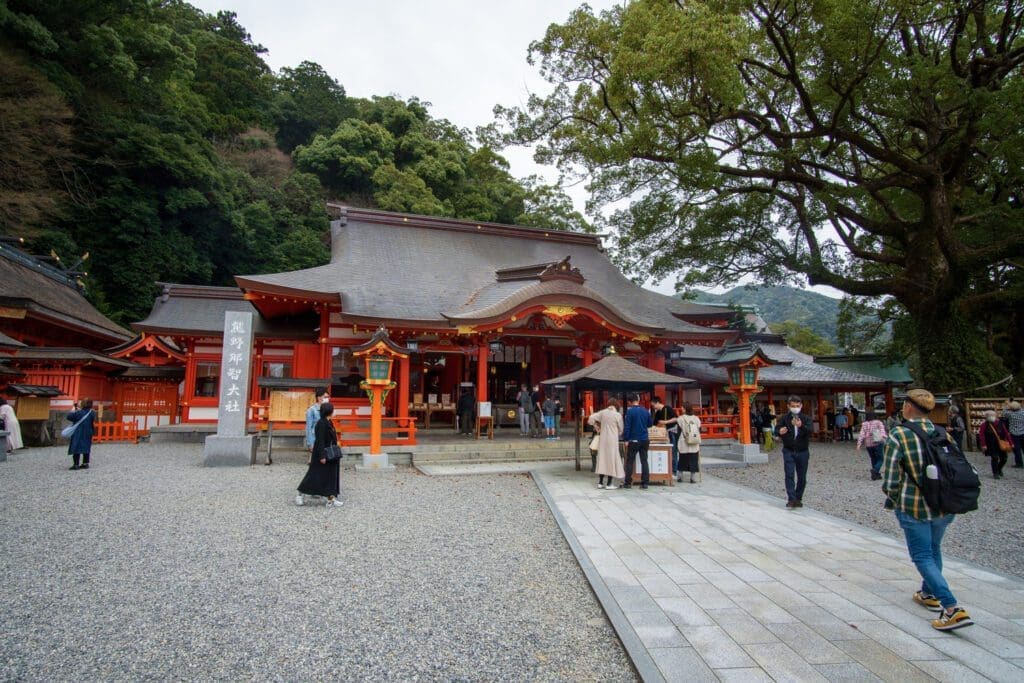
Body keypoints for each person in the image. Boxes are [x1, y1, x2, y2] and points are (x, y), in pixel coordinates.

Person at [882, 389, 973, 631]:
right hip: (944, 505)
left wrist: (894, 499)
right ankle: (927, 592)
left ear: (909, 407)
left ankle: (952, 607)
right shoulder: (943, 433)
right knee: (934, 549)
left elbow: (891, 478)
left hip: (914, 505)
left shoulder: (899, 434)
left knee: (922, 555)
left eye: (904, 403)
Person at [296, 402, 343, 507]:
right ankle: (300, 494)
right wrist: (322, 456)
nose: (334, 411)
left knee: (331, 476)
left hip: (331, 454)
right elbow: (320, 441)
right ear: (329, 411)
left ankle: (331, 498)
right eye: (333, 409)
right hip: (322, 454)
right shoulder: (321, 423)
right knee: (314, 476)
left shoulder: (329, 422)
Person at [774, 395, 811, 508]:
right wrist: (780, 431)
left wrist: (801, 426)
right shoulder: (784, 418)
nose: (795, 407)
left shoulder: (805, 418)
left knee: (802, 477)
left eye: (797, 406)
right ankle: (791, 498)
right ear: (788, 406)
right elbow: (776, 429)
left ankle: (798, 498)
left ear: (801, 406)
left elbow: (810, 430)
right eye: (793, 406)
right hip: (788, 450)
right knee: (789, 474)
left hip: (803, 451)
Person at [588, 398, 624, 489]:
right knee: (611, 460)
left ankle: (600, 483)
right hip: (612, 439)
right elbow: (621, 429)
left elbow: (591, 418)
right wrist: (618, 433)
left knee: (602, 459)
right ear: (616, 405)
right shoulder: (617, 415)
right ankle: (609, 483)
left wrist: (596, 427)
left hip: (603, 439)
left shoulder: (602, 412)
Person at [622, 394, 653, 489]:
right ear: (638, 400)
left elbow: (627, 427)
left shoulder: (630, 412)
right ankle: (645, 483)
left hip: (633, 439)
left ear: (630, 402)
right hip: (644, 439)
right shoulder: (645, 411)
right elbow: (650, 424)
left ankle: (628, 482)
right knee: (644, 460)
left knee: (630, 461)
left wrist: (626, 439)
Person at [978, 409, 1012, 479]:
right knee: (994, 458)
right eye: (990, 415)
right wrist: (983, 445)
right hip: (991, 444)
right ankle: (995, 473)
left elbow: (1006, 433)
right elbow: (981, 435)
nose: (992, 416)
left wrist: (1010, 442)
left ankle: (999, 468)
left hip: (1000, 442)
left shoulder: (1000, 423)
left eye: (993, 415)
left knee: (1004, 458)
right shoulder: (984, 425)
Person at [66, 398, 97, 470]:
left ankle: (76, 464)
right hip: (88, 431)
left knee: (76, 446)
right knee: (86, 447)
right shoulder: (92, 412)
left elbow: (69, 417)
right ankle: (85, 463)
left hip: (78, 432)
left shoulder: (79, 413)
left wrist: (73, 410)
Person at [856, 410, 888, 480]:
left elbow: (862, 434)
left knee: (873, 458)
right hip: (877, 442)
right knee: (880, 459)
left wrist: (859, 444)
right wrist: (884, 437)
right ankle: (875, 470)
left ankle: (876, 475)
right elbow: (882, 431)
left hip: (868, 444)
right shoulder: (878, 422)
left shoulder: (864, 424)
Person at [675, 404, 702, 483]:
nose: (681, 409)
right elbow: (699, 430)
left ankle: (680, 477)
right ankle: (692, 478)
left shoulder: (680, 419)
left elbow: (678, 432)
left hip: (684, 441)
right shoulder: (696, 418)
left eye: (682, 408)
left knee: (682, 459)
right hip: (694, 441)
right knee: (693, 459)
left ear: (685, 409)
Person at [650, 397, 676, 473]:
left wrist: (665, 422)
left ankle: (673, 470)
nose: (653, 407)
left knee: (672, 451)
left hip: (671, 431)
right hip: (662, 434)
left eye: (653, 405)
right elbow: (655, 424)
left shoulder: (667, 408)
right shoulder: (658, 413)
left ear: (657, 402)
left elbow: (676, 418)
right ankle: (666, 469)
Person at [1001, 400, 1024, 468]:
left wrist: (1006, 404)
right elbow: (1020, 408)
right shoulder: (1023, 413)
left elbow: (1004, 412)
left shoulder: (1010, 414)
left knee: (1017, 449)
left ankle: (1019, 463)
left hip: (1014, 434)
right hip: (1023, 432)